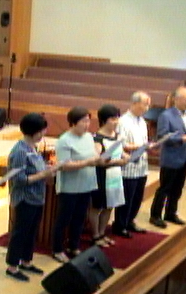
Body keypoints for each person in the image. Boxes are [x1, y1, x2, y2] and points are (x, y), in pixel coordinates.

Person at [4, 113, 60, 281]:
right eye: (42, 131)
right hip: (25, 198)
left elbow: (36, 170)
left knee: (32, 231)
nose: (44, 133)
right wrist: (44, 174)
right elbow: (19, 179)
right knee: (20, 232)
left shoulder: (33, 148)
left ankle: (26, 261)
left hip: (37, 197)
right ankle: (12, 266)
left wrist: (47, 169)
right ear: (33, 131)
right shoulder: (20, 151)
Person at [51, 106, 107, 263]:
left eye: (88, 121)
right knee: (64, 219)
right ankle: (57, 249)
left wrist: (99, 156)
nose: (87, 124)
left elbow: (93, 155)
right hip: (70, 187)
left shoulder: (88, 137)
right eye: (83, 121)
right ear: (73, 123)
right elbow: (64, 165)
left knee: (80, 218)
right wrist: (88, 162)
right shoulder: (64, 140)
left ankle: (73, 246)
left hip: (86, 184)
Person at [149, 86, 186, 228]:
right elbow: (162, 136)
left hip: (185, 156)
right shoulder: (166, 115)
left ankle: (170, 213)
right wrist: (180, 139)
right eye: (185, 99)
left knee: (178, 188)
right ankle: (155, 215)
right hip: (171, 158)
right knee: (165, 188)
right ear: (176, 99)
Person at [112, 91, 154, 238]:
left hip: (141, 166)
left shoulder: (142, 121)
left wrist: (148, 146)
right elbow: (121, 145)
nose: (147, 108)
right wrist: (142, 146)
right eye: (145, 104)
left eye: (148, 105)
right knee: (127, 198)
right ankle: (120, 225)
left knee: (137, 197)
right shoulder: (123, 121)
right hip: (128, 166)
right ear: (135, 103)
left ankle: (130, 221)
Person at [88, 105, 130, 248]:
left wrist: (125, 156)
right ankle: (95, 235)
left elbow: (120, 152)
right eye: (113, 119)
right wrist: (117, 162)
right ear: (104, 120)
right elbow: (98, 161)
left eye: (117, 118)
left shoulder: (118, 136)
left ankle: (102, 233)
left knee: (110, 205)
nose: (116, 121)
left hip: (115, 176)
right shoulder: (97, 138)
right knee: (97, 207)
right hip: (101, 176)